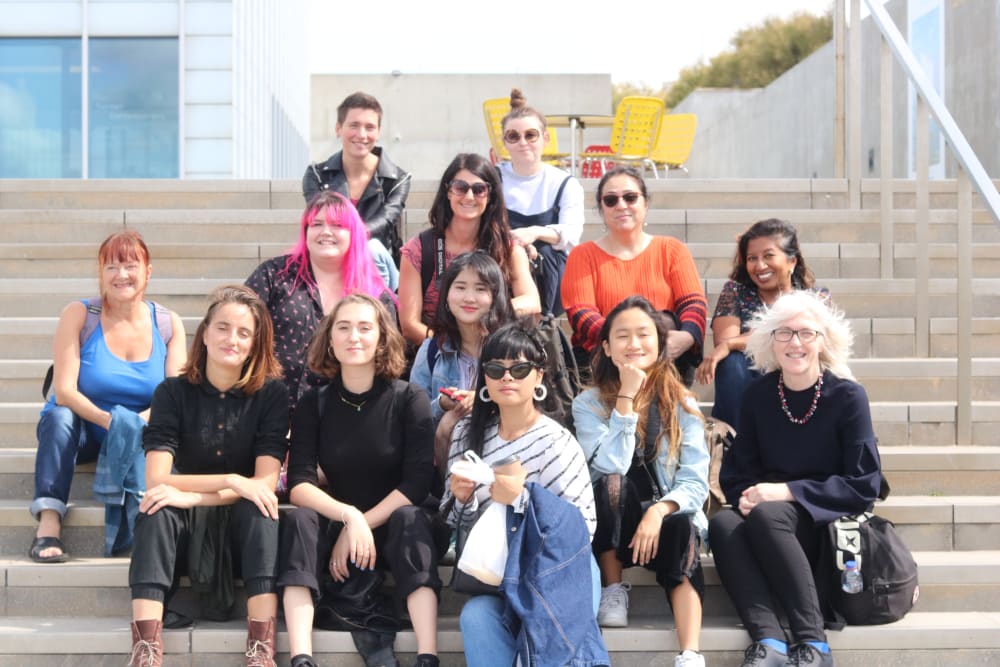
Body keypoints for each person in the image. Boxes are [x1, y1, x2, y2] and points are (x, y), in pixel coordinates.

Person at [708, 290, 882, 667]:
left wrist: (786, 492)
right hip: (771, 522)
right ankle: (768, 640)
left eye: (806, 333)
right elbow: (737, 472)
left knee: (769, 514)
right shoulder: (758, 396)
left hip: (826, 521)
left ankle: (813, 643)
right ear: (771, 343)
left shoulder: (849, 397)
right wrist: (748, 495)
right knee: (723, 523)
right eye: (784, 334)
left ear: (823, 341)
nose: (795, 343)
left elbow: (863, 484)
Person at [279, 294, 445, 667]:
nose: (354, 336)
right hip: (342, 520)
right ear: (330, 339)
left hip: (397, 525)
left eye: (365, 327)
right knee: (298, 518)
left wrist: (359, 525)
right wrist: (348, 519)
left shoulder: (409, 398)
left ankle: (427, 655)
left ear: (382, 338)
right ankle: (301, 656)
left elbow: (417, 483)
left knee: (411, 518)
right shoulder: (313, 403)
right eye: (344, 327)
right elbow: (300, 483)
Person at [127, 285, 288, 667]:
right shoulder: (171, 393)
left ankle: (260, 647)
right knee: (155, 509)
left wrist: (199, 495)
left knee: (262, 509)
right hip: (184, 533)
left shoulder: (271, 395)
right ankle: (145, 649)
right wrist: (233, 480)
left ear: (255, 344)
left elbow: (264, 483)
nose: (231, 339)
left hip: (240, 530)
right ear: (205, 333)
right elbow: (157, 478)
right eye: (222, 328)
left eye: (243, 333)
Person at [442, 321, 607, 667]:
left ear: (539, 377)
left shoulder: (557, 442)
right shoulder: (464, 434)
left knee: (546, 631)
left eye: (519, 369)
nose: (507, 378)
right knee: (475, 617)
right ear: (484, 377)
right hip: (498, 573)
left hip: (557, 570)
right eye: (495, 369)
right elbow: (450, 520)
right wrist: (463, 498)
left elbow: (583, 527)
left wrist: (522, 499)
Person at [30, 230, 187, 563]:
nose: (122, 275)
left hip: (144, 429)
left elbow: (176, 396)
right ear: (100, 272)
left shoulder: (167, 323)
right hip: (88, 427)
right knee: (58, 416)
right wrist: (111, 421)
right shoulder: (79, 314)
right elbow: (65, 390)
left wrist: (134, 423)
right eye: (111, 267)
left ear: (148, 271)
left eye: (131, 265)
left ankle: (156, 536)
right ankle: (48, 522)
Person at [573, 296, 709, 667]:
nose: (633, 344)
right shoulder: (587, 403)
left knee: (681, 524)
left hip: (662, 518)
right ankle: (613, 587)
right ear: (606, 346)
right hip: (615, 517)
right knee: (612, 483)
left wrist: (661, 511)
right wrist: (626, 397)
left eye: (643, 334)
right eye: (622, 336)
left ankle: (690, 653)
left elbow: (696, 481)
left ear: (660, 343)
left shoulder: (683, 402)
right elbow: (609, 464)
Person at [246, 190, 397, 415]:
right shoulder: (274, 276)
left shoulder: (374, 292)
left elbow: (389, 358)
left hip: (346, 415)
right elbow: (241, 325)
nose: (325, 232)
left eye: (337, 225)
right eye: (316, 224)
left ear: (353, 233)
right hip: (271, 410)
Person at [561, 166, 707, 383]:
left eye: (630, 197)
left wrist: (687, 336)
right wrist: (626, 343)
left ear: (645, 204)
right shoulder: (582, 255)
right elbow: (581, 313)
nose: (621, 205)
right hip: (605, 360)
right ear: (601, 209)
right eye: (611, 200)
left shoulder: (672, 250)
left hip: (665, 359)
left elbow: (693, 303)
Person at [398, 153, 540, 346]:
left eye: (479, 189)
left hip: (494, 357)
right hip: (440, 356)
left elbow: (532, 302)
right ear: (448, 192)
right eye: (460, 188)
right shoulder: (419, 250)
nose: (469, 196)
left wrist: (490, 312)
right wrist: (456, 347)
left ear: (490, 196)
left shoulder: (507, 249)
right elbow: (409, 325)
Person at [695, 218, 816, 432]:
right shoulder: (736, 292)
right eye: (752, 258)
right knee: (733, 363)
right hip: (748, 387)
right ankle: (740, 445)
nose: (759, 266)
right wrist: (732, 345)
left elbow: (812, 344)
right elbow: (726, 343)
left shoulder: (812, 298)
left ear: (792, 261)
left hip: (795, 381)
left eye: (768, 256)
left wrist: (737, 342)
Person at [408, 252, 515, 475]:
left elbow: (528, 408)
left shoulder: (511, 348)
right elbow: (413, 416)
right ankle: (451, 500)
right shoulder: (431, 349)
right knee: (449, 421)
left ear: (495, 296)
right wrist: (442, 403)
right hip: (446, 463)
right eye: (460, 287)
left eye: (480, 289)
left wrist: (483, 400)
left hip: (504, 456)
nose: (469, 298)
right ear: (446, 295)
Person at [302, 91, 411, 281]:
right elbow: (319, 220)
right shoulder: (317, 175)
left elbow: (386, 220)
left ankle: (378, 309)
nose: (362, 135)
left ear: (378, 131)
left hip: (375, 266)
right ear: (338, 129)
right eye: (354, 125)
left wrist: (348, 235)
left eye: (370, 127)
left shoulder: (397, 179)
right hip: (331, 256)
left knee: (372, 249)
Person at [498, 88, 584, 316]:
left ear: (545, 138)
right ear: (504, 142)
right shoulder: (492, 177)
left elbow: (572, 232)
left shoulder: (565, 183)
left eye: (531, 135)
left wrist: (534, 233)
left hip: (548, 273)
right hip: (499, 263)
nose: (523, 142)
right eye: (513, 136)